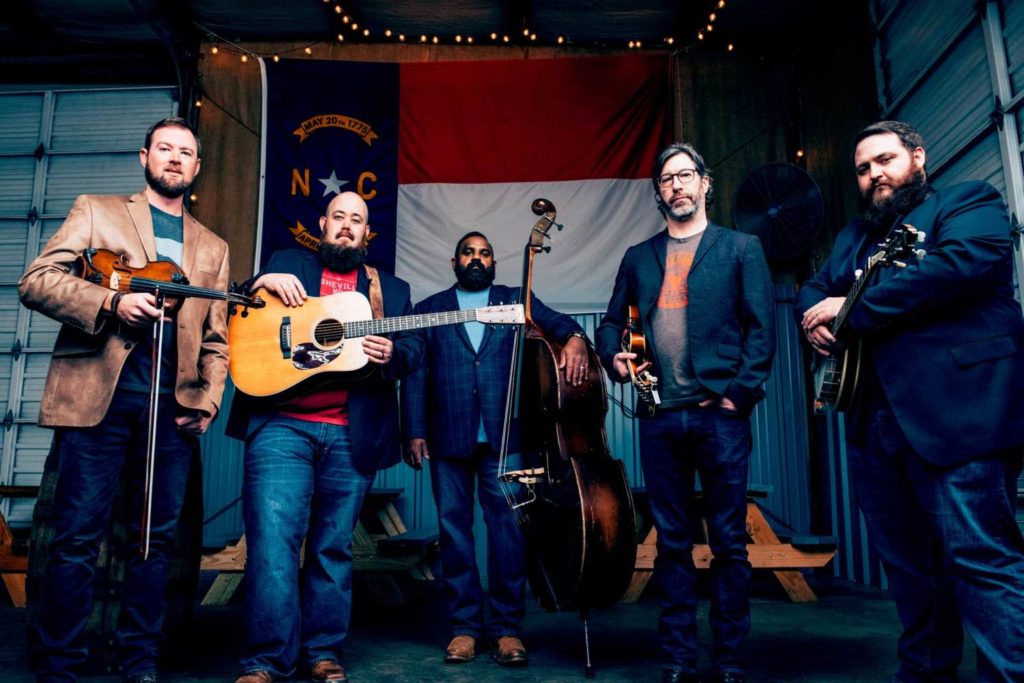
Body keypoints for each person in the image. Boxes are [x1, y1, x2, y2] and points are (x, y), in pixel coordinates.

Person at [797, 120, 1024, 683]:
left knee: (981, 561)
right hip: (874, 425)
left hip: (959, 418)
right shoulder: (854, 236)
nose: (874, 174)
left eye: (885, 160)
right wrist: (813, 321)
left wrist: (845, 307)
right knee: (911, 573)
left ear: (918, 157)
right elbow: (811, 287)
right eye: (863, 168)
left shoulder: (969, 202)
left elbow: (955, 268)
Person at [18, 117, 229, 683]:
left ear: (197, 167)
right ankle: (61, 665)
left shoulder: (213, 246)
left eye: (186, 152)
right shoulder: (98, 209)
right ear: (144, 157)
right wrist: (112, 305)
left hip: (171, 411)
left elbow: (216, 340)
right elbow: (37, 279)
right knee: (77, 536)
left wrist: (206, 400)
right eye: (165, 149)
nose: (175, 159)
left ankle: (139, 662)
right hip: (98, 400)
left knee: (153, 542)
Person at [595, 142, 775, 683]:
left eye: (684, 175)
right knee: (671, 545)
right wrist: (613, 355)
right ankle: (677, 658)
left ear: (704, 184)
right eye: (666, 180)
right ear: (658, 194)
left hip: (719, 417)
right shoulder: (638, 256)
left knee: (729, 543)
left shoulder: (742, 248)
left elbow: (762, 332)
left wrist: (737, 395)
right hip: (659, 418)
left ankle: (730, 660)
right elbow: (609, 324)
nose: (676, 185)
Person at [227, 190, 423, 683]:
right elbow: (238, 306)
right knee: (272, 544)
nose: (346, 226)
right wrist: (260, 279)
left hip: (349, 434)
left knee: (333, 547)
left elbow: (415, 349)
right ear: (323, 223)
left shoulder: (391, 292)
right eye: (339, 216)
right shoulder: (288, 261)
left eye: (356, 220)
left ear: (366, 233)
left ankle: (322, 653)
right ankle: (266, 660)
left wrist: (391, 355)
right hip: (281, 426)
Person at [399, 231, 589, 666]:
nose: (477, 258)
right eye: (468, 252)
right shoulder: (430, 309)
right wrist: (413, 430)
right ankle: (464, 627)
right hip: (447, 437)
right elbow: (415, 374)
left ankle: (506, 629)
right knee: (454, 532)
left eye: (485, 253)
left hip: (506, 438)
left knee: (508, 534)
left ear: (494, 263)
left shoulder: (515, 299)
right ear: (454, 262)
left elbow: (560, 323)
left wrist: (576, 337)